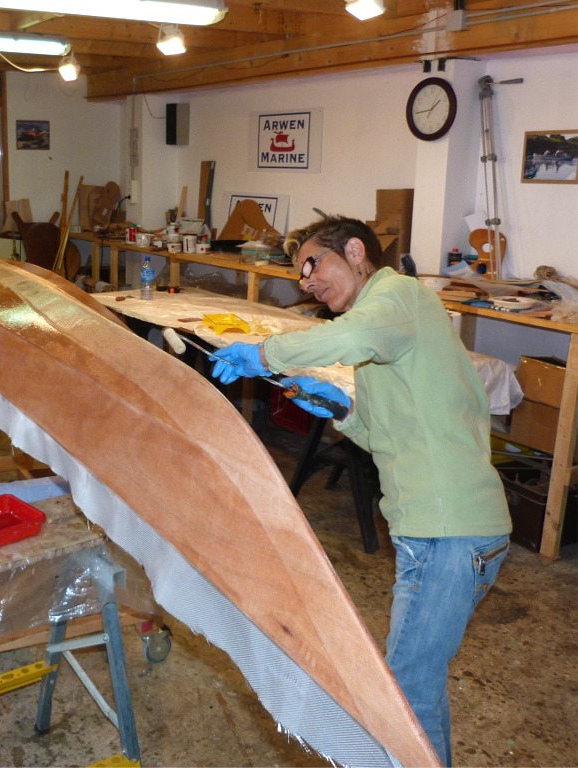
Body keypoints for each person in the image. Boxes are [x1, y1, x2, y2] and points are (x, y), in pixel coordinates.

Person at [210, 215, 511, 766]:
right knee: (416, 690)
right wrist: (341, 410)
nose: (307, 281)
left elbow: (348, 336)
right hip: (432, 532)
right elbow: (382, 435)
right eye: (299, 275)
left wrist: (265, 353)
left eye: (314, 264)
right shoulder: (387, 332)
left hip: (451, 532)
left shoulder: (396, 297)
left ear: (354, 250)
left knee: (405, 695)